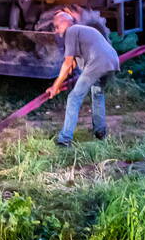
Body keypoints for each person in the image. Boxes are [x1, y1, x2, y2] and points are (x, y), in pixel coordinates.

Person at [46, 12, 119, 146]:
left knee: (74, 98)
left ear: (64, 22)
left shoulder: (71, 31)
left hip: (97, 63)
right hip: (112, 60)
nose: (56, 30)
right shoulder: (82, 30)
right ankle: (100, 132)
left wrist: (55, 87)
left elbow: (67, 63)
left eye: (56, 26)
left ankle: (65, 139)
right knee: (97, 94)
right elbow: (73, 61)